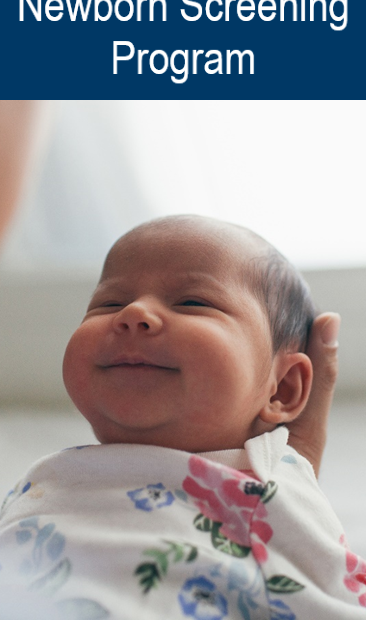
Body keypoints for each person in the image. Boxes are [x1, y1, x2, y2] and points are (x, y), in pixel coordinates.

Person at [0, 215, 362, 620]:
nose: (134, 312)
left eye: (193, 302)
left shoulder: (270, 483)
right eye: (109, 303)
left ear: (281, 389)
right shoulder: (48, 476)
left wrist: (294, 488)